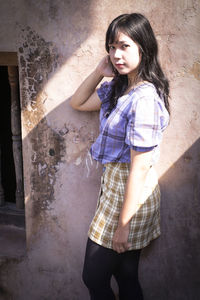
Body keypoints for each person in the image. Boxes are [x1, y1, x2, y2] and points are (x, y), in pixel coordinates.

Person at [70, 13, 170, 300]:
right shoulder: (120, 87)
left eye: (124, 46)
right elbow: (78, 103)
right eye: (112, 47)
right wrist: (100, 70)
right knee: (126, 274)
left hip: (130, 196)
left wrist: (122, 228)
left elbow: (139, 169)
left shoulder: (145, 99)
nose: (116, 54)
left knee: (93, 277)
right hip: (115, 188)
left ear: (144, 47)